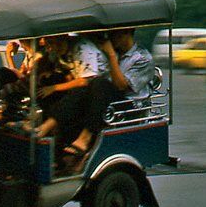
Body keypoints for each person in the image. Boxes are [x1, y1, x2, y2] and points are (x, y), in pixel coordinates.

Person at [59, 28, 155, 173]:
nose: (109, 38)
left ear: (126, 34)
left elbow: (120, 86)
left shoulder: (142, 58)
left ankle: (85, 138)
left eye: (113, 35)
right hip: (106, 100)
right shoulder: (116, 52)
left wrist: (110, 55)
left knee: (100, 84)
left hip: (129, 107)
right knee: (81, 90)